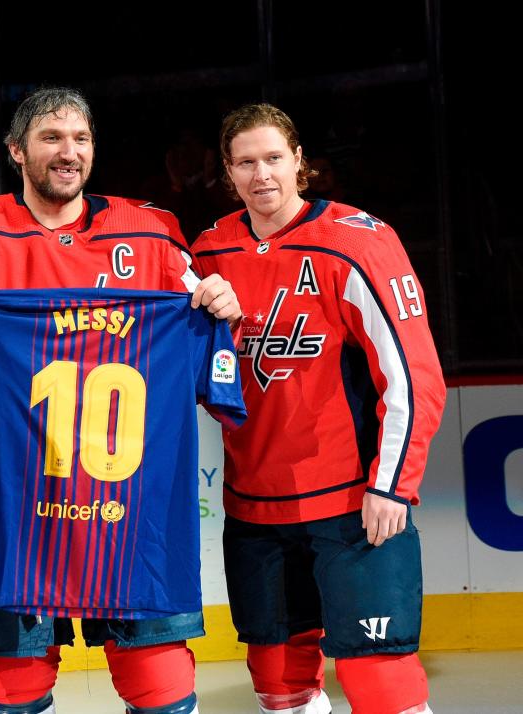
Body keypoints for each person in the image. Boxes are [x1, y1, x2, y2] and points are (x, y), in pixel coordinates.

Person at [0, 87, 242, 714]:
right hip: (12, 507)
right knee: (16, 686)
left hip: (130, 508)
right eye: (52, 138)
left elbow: (216, 353)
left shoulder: (153, 231)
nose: (69, 152)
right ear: (15, 151)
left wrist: (224, 313)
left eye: (81, 139)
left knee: (160, 683)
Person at [191, 103, 446, 714]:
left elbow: (414, 377)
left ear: (300, 162)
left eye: (274, 158)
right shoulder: (207, 255)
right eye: (246, 162)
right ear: (228, 172)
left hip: (353, 503)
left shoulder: (358, 243)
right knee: (278, 684)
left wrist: (393, 486)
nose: (262, 175)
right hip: (254, 510)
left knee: (379, 680)